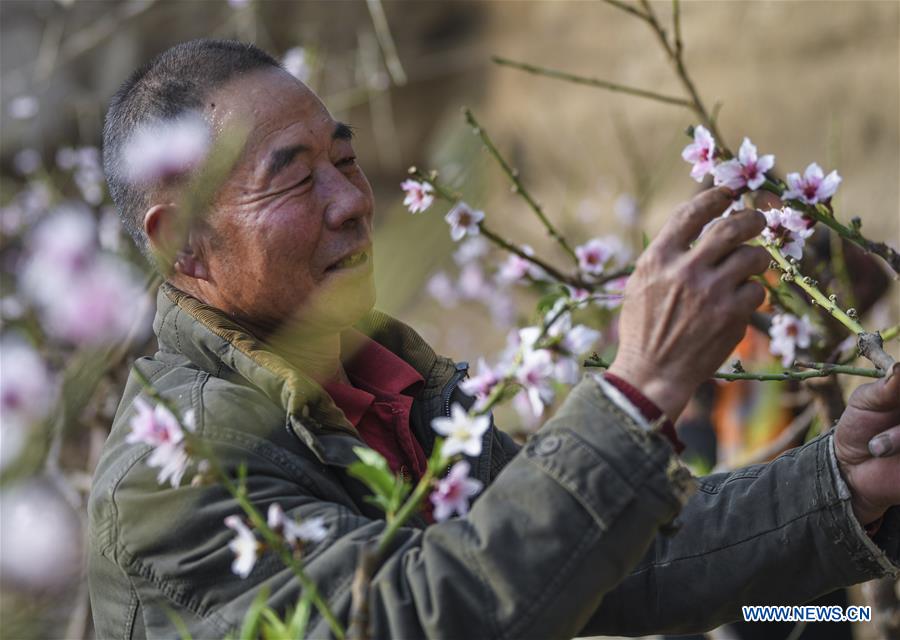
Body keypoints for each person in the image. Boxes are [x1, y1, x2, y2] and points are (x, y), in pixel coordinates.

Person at [88, 39, 900, 639]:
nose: (351, 202)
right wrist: (634, 391)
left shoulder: (392, 385)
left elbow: (623, 563)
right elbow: (422, 614)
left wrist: (843, 487)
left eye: (347, 158)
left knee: (802, 613)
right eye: (296, 176)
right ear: (182, 245)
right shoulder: (171, 476)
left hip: (780, 590)